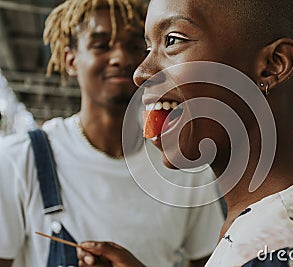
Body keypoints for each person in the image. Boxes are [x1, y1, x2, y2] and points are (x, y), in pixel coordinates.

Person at [76, 0, 293, 266]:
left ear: (273, 65)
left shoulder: (280, 247)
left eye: (172, 40)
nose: (140, 72)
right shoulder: (273, 226)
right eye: (148, 47)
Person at [0, 0, 224, 266]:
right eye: (101, 45)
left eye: (134, 47)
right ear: (70, 61)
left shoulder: (185, 167)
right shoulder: (19, 160)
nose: (121, 58)